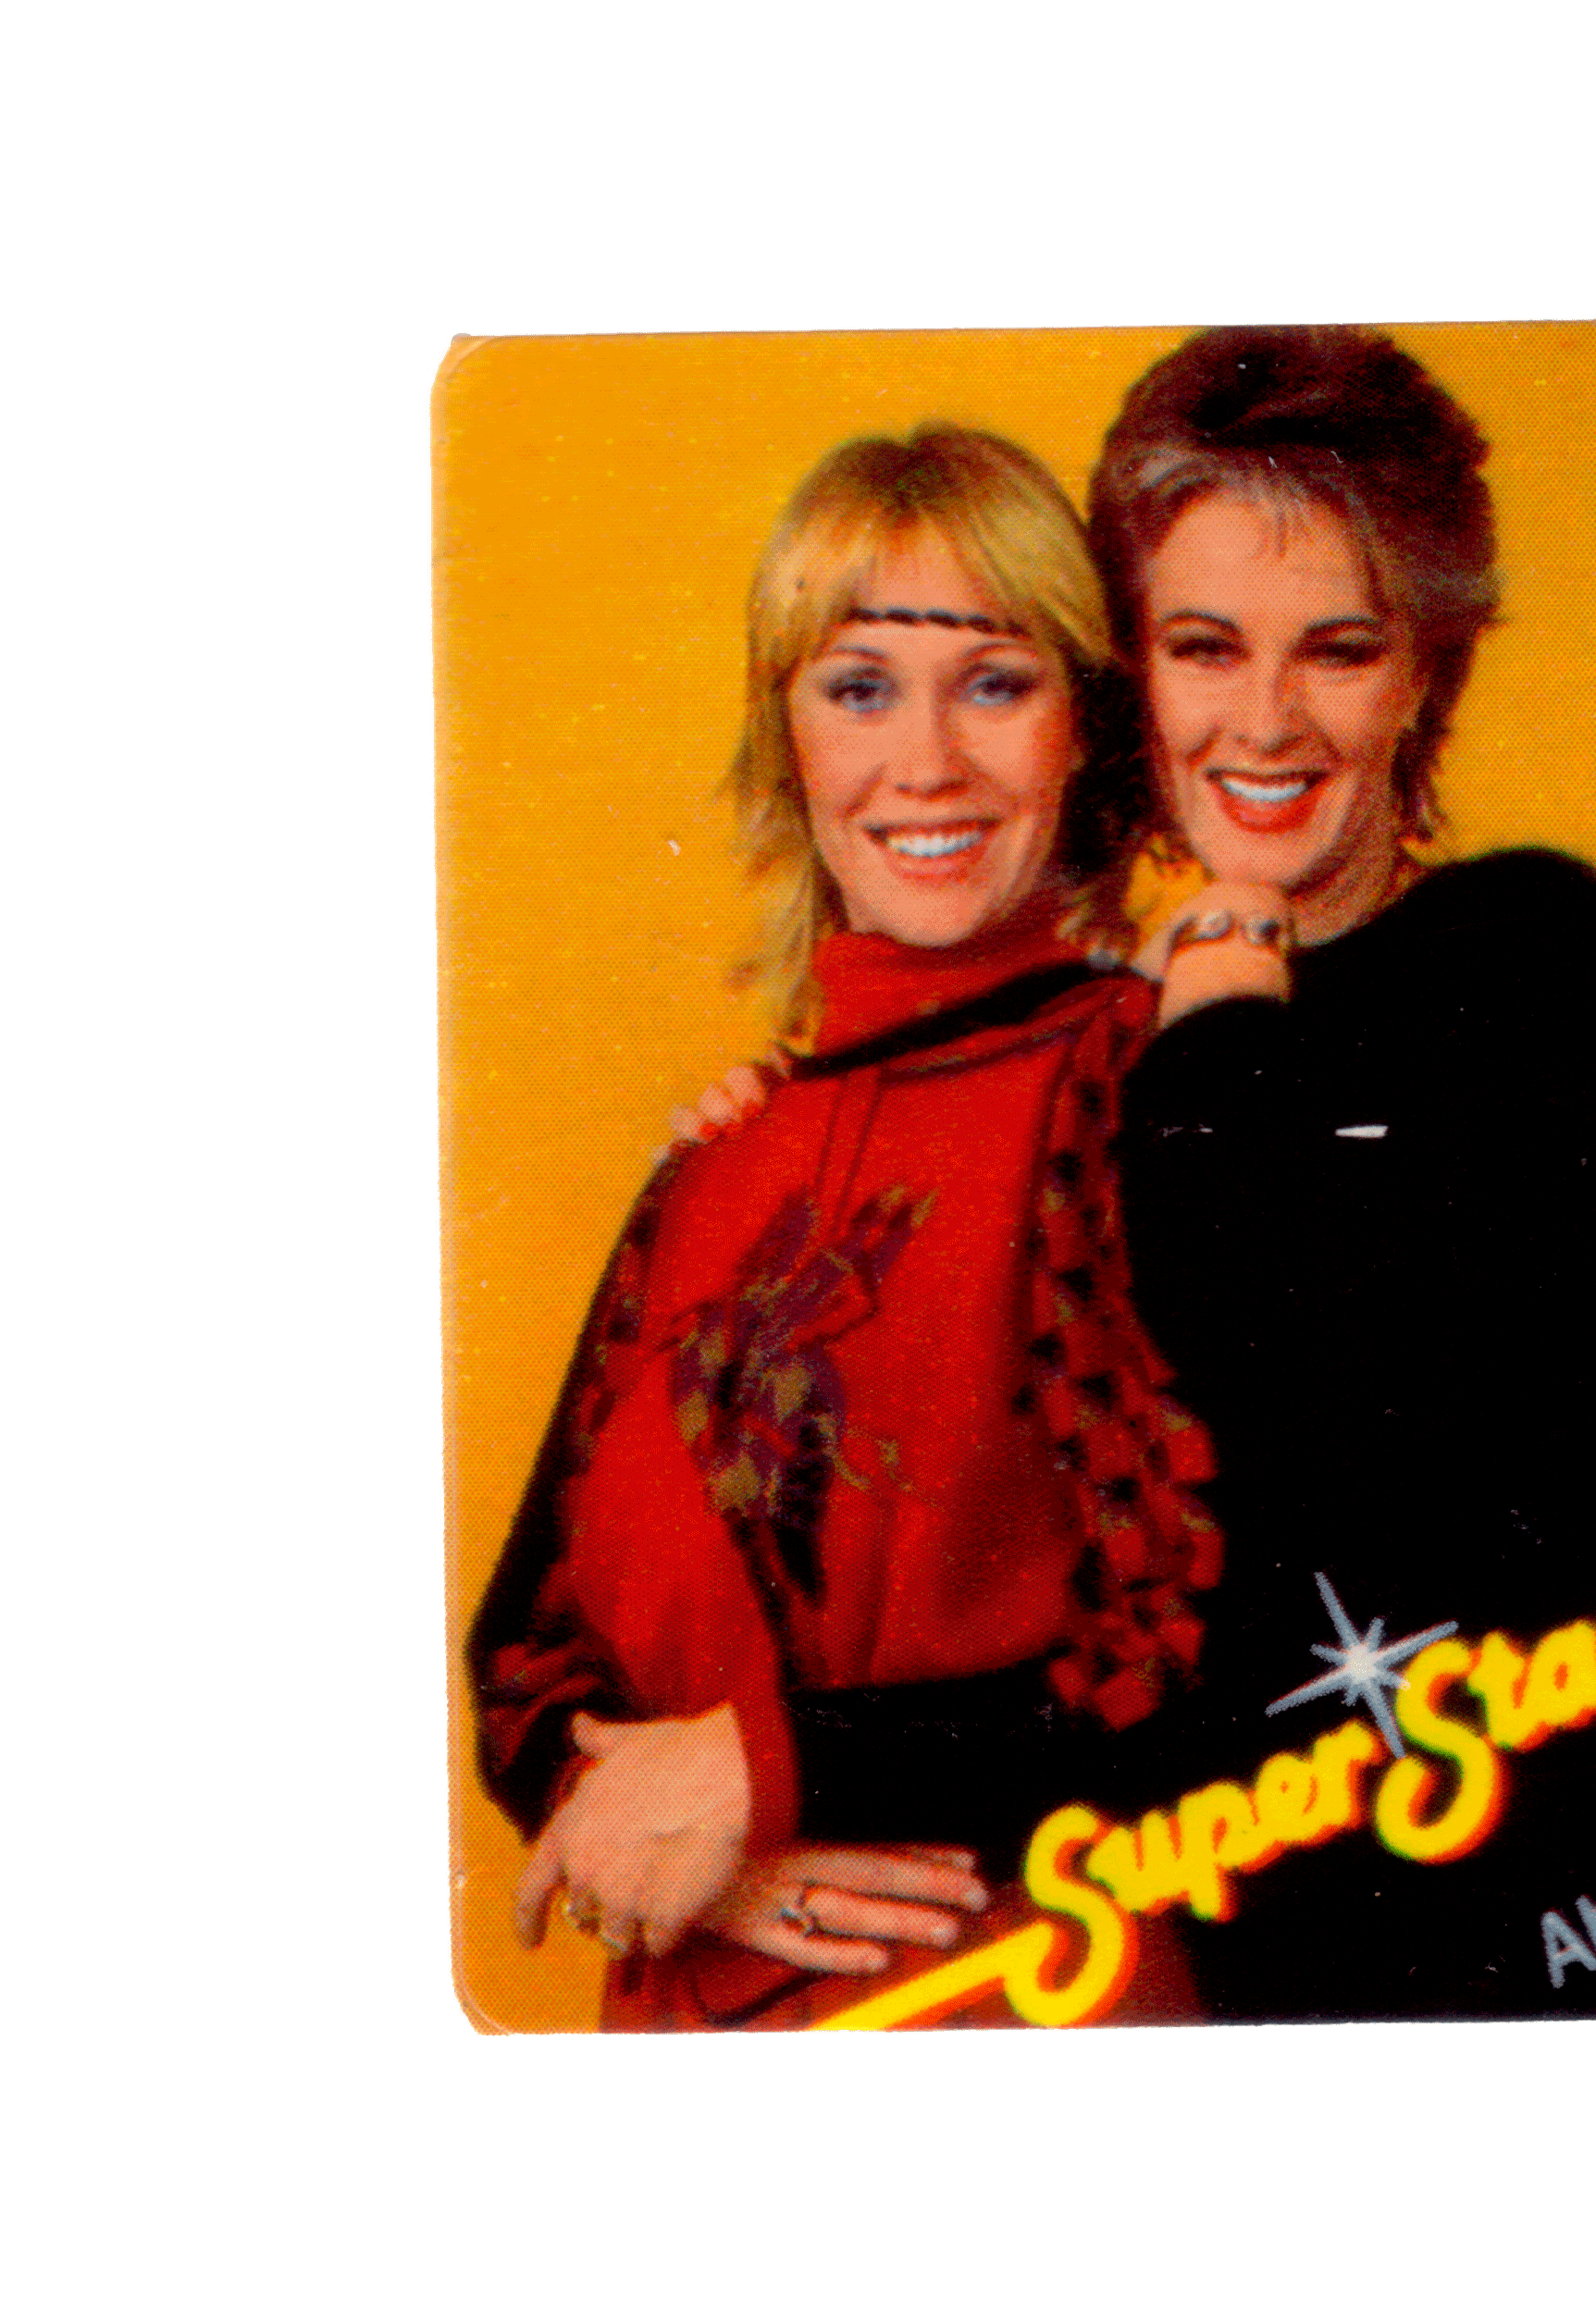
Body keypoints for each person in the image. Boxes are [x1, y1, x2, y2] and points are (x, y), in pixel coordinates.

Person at [1096, 326, 1596, 2019]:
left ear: (1428, 666)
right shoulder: (1096, 1053)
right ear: (1135, 667)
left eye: (1338, 649)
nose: (1264, 721)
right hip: (1321, 1961)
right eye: (1204, 648)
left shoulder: (1540, 951)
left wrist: (1216, 988)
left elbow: (1297, 1350)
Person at [466, 425, 1221, 2030]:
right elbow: (524, 1655)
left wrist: (769, 1775)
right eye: (859, 687)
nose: (925, 762)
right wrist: (696, 1854)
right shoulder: (715, 1163)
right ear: (786, 732)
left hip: (1020, 2023)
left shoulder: (1145, 1085)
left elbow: (1208, 1650)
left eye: (994, 682)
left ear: (1085, 724)